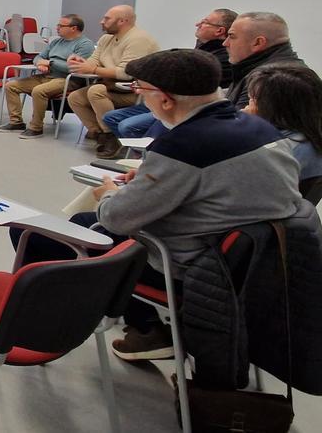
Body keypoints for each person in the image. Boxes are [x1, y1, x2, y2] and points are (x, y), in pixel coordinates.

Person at [90, 49, 315, 360]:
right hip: (256, 267)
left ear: (165, 99)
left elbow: (115, 218)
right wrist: (152, 177)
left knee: (85, 231)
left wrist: (108, 193)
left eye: (139, 88)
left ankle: (147, 330)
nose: (138, 95)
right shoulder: (261, 129)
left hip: (193, 271)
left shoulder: (182, 146)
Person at [102, 8, 237, 141]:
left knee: (127, 125)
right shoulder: (202, 50)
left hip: (179, 105)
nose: (198, 24)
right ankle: (131, 147)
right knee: (110, 117)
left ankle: (143, 149)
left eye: (205, 22)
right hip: (163, 100)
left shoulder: (217, 59)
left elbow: (184, 87)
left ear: (219, 31)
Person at [66, 5, 160, 158]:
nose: (101, 21)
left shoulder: (139, 39)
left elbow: (126, 73)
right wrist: (80, 62)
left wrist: (92, 69)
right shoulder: (106, 38)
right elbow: (94, 60)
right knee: (75, 97)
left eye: (107, 19)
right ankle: (100, 134)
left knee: (96, 91)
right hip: (112, 87)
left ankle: (112, 136)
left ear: (122, 21)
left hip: (136, 91)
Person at [0, 14, 94, 138]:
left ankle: (36, 127)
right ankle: (16, 122)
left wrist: (50, 63)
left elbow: (74, 67)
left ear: (73, 28)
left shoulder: (85, 45)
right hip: (47, 76)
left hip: (67, 80)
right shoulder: (56, 42)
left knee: (39, 91)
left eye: (61, 26)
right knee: (11, 86)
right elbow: (39, 56)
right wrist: (39, 63)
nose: (57, 28)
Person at [244, 63, 322, 196]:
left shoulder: (279, 153)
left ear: (275, 108)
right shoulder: (311, 137)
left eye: (253, 99)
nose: (248, 106)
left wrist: (248, 126)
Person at [224, 11, 306, 109]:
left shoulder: (269, 80)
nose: (225, 43)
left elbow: (236, 118)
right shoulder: (289, 69)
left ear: (258, 43)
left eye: (232, 36)